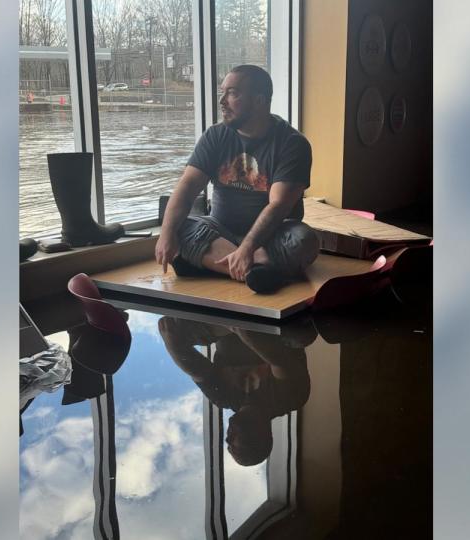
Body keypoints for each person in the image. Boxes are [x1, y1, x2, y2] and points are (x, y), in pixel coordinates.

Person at [154, 65, 320, 294]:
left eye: (232, 93)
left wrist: (249, 248)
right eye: (223, 92)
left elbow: (279, 205)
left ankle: (212, 264)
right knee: (176, 226)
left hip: (272, 236)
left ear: (259, 100)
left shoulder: (293, 144)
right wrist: (166, 234)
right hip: (220, 230)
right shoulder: (215, 135)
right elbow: (188, 185)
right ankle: (258, 271)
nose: (222, 101)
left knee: (304, 241)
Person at [157, 316, 312, 466]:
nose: (227, 439)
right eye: (238, 445)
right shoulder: (290, 399)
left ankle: (232, 309)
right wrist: (244, 329)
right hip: (275, 324)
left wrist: (172, 344)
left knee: (177, 329)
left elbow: (194, 369)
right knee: (300, 334)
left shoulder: (223, 397)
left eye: (228, 444)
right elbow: (280, 361)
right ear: (263, 437)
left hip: (226, 321)